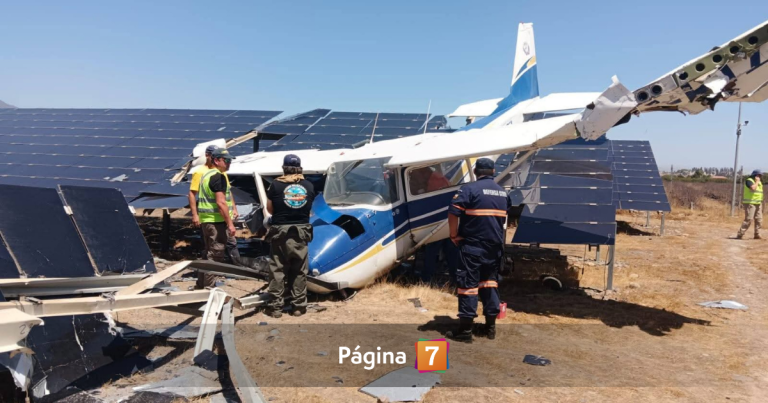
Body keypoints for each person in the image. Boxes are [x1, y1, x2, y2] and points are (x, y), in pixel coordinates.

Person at [445, 158, 510, 342]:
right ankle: (490, 328)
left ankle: (465, 331)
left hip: (473, 246)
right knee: (489, 284)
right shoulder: (502, 193)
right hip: (494, 249)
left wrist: (453, 235)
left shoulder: (469, 189)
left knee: (468, 286)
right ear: (493, 171)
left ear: (475, 171)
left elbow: (453, 212)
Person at [263, 154, 316, 318]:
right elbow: (309, 208)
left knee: (278, 270)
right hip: (301, 232)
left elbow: (270, 210)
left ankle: (276, 308)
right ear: (300, 168)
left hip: (280, 232)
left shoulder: (275, 186)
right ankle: (298, 307)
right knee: (299, 270)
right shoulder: (309, 186)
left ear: (284, 168)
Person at [197, 148, 242, 288]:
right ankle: (209, 288)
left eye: (229, 161)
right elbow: (221, 202)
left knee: (208, 253)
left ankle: (201, 284)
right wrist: (230, 223)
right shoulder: (218, 177)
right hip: (216, 221)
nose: (229, 164)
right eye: (226, 160)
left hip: (207, 220)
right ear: (216, 160)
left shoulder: (206, 175)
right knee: (215, 255)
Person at [737, 169, 764, 240]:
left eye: (760, 176)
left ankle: (757, 234)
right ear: (754, 175)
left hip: (758, 203)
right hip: (750, 203)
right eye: (758, 175)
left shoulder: (759, 183)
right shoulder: (749, 181)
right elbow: (753, 188)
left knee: (759, 219)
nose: (759, 177)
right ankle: (740, 234)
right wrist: (757, 181)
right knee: (749, 219)